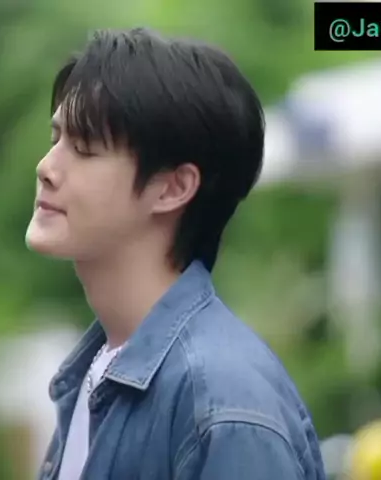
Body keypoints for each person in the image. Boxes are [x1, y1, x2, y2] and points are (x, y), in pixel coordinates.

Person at [25, 27, 325, 479]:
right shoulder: (98, 375)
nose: (46, 167)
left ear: (173, 188)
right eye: (56, 140)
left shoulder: (224, 408)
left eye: (84, 149)